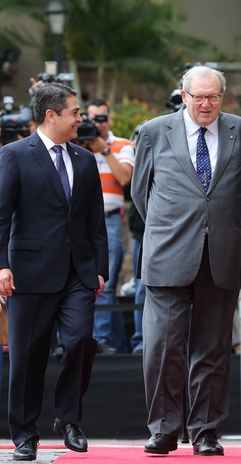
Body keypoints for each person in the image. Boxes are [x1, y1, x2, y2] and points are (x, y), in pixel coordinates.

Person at [131, 65, 241, 456]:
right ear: (183, 95)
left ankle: (204, 430)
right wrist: (169, 227)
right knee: (162, 348)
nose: (206, 104)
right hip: (168, 255)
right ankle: (165, 429)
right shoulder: (154, 131)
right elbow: (141, 193)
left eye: (214, 97)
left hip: (219, 254)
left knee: (212, 348)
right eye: (198, 96)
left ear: (224, 97)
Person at [0, 82, 108, 462]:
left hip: (78, 273)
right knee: (28, 356)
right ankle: (25, 435)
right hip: (28, 272)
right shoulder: (14, 155)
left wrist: (100, 269)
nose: (81, 118)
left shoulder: (85, 159)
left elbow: (95, 222)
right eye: (75, 112)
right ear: (51, 115)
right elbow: (0, 216)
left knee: (79, 341)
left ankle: (68, 418)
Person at [85, 99, 135, 354]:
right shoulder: (75, 143)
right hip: (80, 221)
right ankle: (83, 339)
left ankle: (102, 340)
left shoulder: (122, 145)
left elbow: (125, 178)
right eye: (93, 119)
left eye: (102, 119)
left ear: (109, 120)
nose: (97, 124)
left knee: (105, 281)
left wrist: (103, 148)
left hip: (109, 219)